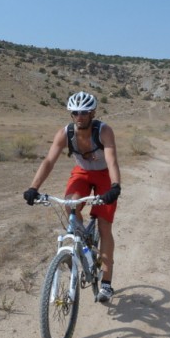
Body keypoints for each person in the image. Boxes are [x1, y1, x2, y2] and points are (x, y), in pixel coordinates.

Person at [23, 91, 121, 303]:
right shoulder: (65, 133)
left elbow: (112, 160)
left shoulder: (104, 131)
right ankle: (81, 239)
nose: (80, 116)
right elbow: (49, 161)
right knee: (70, 204)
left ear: (92, 112)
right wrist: (33, 187)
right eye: (75, 112)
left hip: (104, 174)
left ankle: (106, 282)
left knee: (104, 226)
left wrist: (115, 186)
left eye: (84, 112)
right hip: (82, 173)